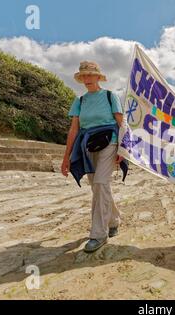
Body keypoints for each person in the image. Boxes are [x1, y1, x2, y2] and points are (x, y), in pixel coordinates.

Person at [61, 61, 125, 252]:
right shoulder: (80, 101)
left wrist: (123, 148)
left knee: (100, 183)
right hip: (88, 145)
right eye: (84, 76)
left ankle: (99, 234)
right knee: (98, 187)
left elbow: (121, 123)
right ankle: (113, 220)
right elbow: (74, 129)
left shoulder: (109, 96)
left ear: (98, 77)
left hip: (110, 141)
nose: (87, 79)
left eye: (91, 75)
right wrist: (66, 157)